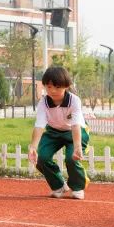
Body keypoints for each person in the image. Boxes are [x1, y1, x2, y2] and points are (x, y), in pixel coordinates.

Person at [28, 66, 89, 199]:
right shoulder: (43, 103)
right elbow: (39, 125)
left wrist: (77, 147)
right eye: (49, 87)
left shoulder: (74, 100)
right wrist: (33, 147)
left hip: (75, 131)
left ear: (66, 86)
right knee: (42, 158)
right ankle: (59, 185)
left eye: (57, 87)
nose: (53, 91)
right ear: (44, 86)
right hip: (54, 131)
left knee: (71, 158)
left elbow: (75, 124)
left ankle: (77, 187)